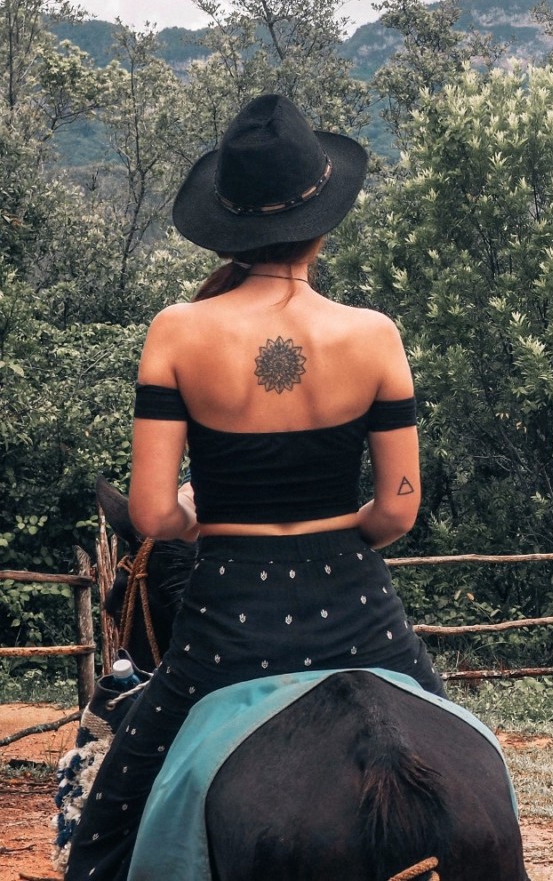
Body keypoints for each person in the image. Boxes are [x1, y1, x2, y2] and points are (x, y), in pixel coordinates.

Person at [66, 94, 446, 881]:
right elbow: (398, 509)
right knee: (463, 755)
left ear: (228, 223)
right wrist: (338, 531)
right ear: (324, 217)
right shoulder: (374, 335)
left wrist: (203, 523)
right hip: (360, 614)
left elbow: (150, 513)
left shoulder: (177, 331)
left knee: (104, 836)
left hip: (226, 626)